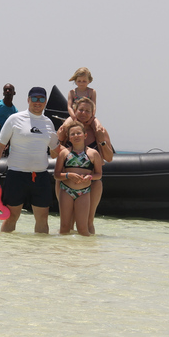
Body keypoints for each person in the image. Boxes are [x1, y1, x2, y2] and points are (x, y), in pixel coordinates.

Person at [0, 87, 60, 233]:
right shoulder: (15, 119)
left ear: (45, 102)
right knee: (12, 216)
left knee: (43, 218)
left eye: (41, 99)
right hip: (16, 175)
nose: (37, 102)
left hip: (40, 176)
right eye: (34, 98)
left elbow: (55, 152)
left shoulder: (48, 123)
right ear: (28, 100)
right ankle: (6, 252)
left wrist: (61, 142)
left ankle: (39, 254)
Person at [57, 97, 113, 234]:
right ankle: (65, 253)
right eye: (81, 110)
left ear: (93, 112)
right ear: (74, 111)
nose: (83, 113)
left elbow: (109, 158)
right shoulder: (68, 129)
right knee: (66, 222)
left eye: (87, 110)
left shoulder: (99, 131)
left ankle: (88, 253)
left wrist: (101, 141)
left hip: (92, 182)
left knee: (88, 221)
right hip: (66, 181)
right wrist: (59, 139)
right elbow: (55, 154)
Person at [54, 121, 103, 236]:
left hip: (84, 192)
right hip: (66, 190)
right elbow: (56, 174)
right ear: (69, 138)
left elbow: (99, 174)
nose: (76, 136)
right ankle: (64, 251)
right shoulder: (64, 153)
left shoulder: (93, 153)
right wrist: (68, 175)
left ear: (85, 135)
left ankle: (85, 252)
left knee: (83, 228)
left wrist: (90, 177)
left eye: (78, 133)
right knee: (64, 227)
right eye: (72, 134)